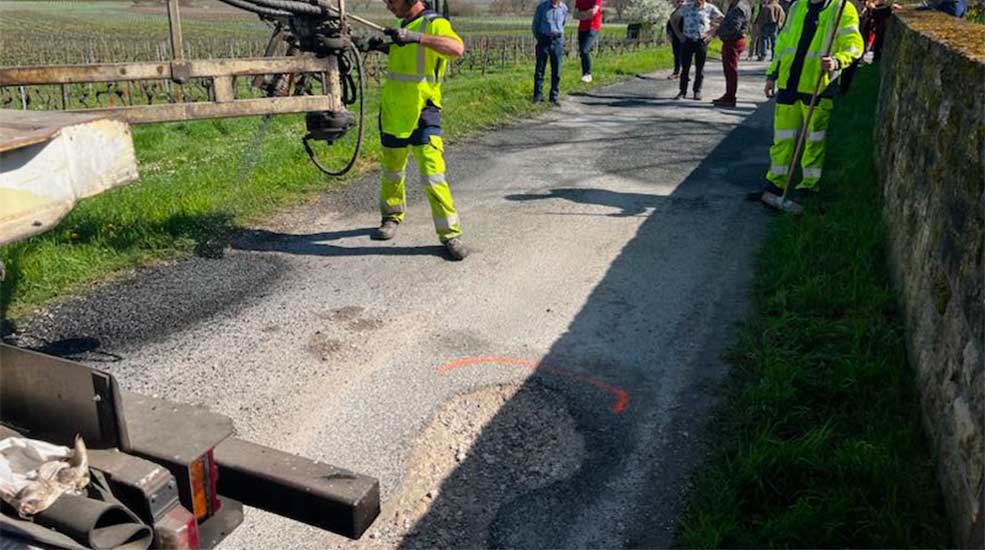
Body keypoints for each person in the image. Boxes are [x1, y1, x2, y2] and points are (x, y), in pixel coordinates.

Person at [372, 0, 468, 260]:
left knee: (432, 174)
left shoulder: (434, 23)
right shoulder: (402, 26)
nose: (389, 6)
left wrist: (417, 37)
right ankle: (391, 216)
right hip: (394, 111)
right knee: (392, 172)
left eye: (392, 1)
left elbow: (456, 48)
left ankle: (450, 234)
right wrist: (383, 46)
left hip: (424, 111)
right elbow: (406, 60)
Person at [762, 0, 864, 197]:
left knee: (814, 139)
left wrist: (837, 61)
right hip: (788, 84)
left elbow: (854, 45)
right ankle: (775, 183)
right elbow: (783, 42)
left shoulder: (841, 8)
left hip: (818, 86)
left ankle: (808, 186)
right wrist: (771, 75)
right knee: (782, 138)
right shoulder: (797, 7)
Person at [675, 0, 723, 100]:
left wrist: (712, 33)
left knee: (699, 68)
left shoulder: (710, 8)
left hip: (701, 41)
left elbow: (723, 20)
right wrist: (678, 34)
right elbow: (673, 18)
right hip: (687, 40)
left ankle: (697, 91)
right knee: (685, 67)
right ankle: (682, 91)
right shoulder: (686, 7)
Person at [711, 0, 751, 107]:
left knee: (730, 70)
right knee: (729, 69)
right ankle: (728, 95)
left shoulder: (738, 7)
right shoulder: (739, 5)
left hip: (733, 41)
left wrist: (719, 30)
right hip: (734, 40)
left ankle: (730, 97)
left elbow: (735, 27)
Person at [532, 0, 569, 104]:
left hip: (557, 41)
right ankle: (538, 96)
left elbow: (563, 23)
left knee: (557, 70)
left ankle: (554, 96)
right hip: (544, 39)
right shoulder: (542, 7)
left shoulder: (564, 8)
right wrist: (540, 38)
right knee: (540, 69)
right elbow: (535, 25)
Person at [574, 0, 603, 82]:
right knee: (582, 52)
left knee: (585, 50)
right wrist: (587, 14)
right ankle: (584, 74)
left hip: (593, 26)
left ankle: (588, 73)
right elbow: (575, 14)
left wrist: (582, 14)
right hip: (582, 27)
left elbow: (593, 12)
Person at [667, 0, 688, 79]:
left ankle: (685, 73)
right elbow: (669, 24)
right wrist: (669, 34)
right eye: (679, 1)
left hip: (686, 37)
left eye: (682, 1)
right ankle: (676, 72)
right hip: (676, 37)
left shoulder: (688, 12)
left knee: (685, 56)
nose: (680, 3)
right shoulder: (675, 12)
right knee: (677, 55)